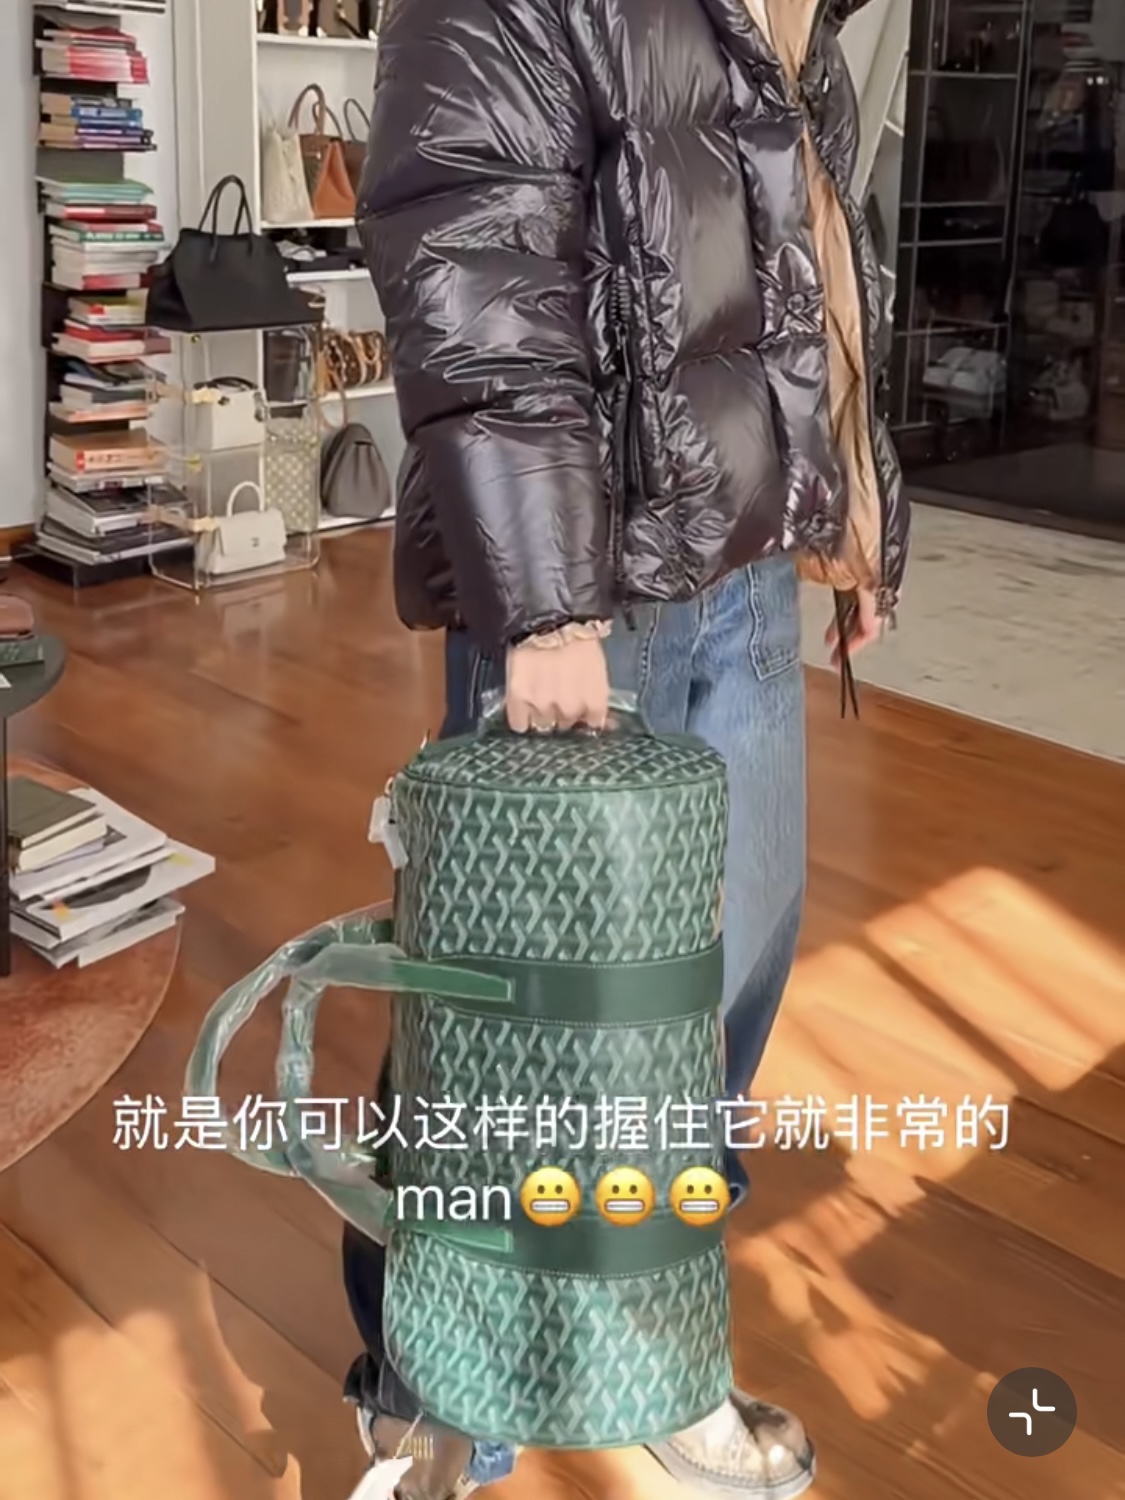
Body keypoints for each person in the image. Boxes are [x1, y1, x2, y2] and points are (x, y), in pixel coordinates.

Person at [344, 1, 910, 1496]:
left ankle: (655, 1341)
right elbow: (472, 242)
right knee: (510, 1009)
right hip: (584, 582)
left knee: (720, 987)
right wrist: (543, 604)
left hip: (741, 560)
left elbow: (806, 250)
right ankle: (437, 1389)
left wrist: (849, 514)